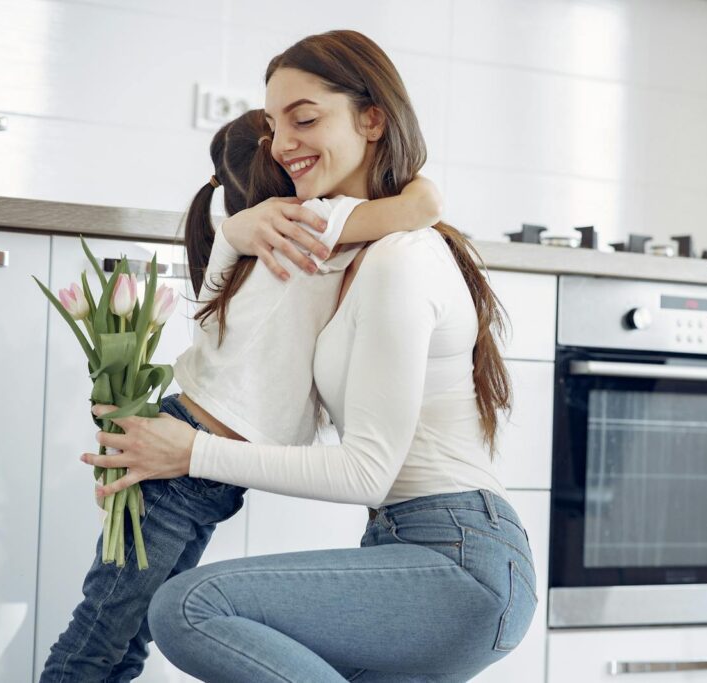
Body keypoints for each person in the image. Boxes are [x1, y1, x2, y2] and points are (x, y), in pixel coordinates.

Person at [81, 30, 537, 682]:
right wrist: (231, 228)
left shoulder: (398, 260)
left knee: (190, 607)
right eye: (273, 127)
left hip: (458, 556)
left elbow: (367, 473)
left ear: (372, 118)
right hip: (404, 545)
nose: (283, 142)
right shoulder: (336, 247)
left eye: (305, 118)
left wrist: (190, 453)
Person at [41, 108, 443, 683]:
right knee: (100, 640)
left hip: (192, 467)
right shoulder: (309, 221)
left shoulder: (240, 241)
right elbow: (424, 205)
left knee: (119, 638)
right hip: (181, 467)